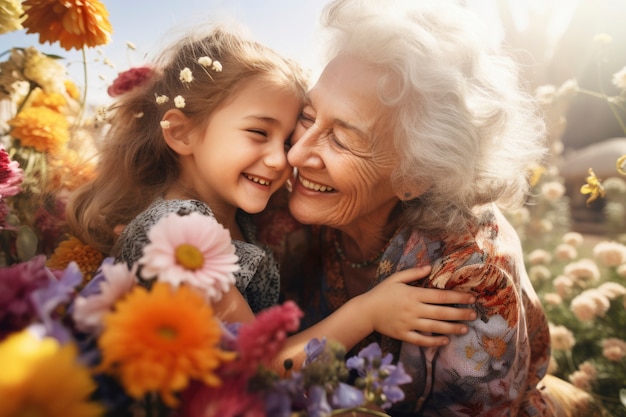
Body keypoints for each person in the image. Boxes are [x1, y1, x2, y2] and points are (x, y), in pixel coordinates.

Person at [256, 0, 605, 415]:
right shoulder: (280, 198)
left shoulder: (472, 276)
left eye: (342, 139)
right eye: (309, 115)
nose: (296, 155)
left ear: (415, 176)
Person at [66, 25, 476, 368]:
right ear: (181, 132)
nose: (286, 159)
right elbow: (258, 368)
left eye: (287, 136)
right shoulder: (180, 236)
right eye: (259, 133)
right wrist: (367, 312)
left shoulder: (227, 215)